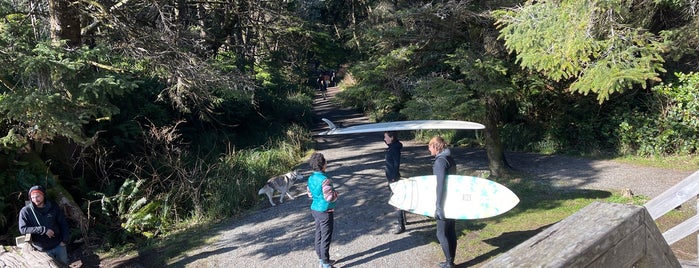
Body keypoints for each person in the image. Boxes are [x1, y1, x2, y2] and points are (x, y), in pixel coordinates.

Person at [18, 185, 70, 265]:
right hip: (42, 250)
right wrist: (43, 230)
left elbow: (63, 223)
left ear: (43, 195)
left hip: (59, 245)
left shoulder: (53, 206)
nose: (35, 199)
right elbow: (23, 229)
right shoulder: (26, 211)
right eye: (32, 197)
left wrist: (65, 240)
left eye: (38, 196)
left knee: (64, 265)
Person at [428, 136, 457, 268]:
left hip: (444, 202)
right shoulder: (450, 159)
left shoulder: (440, 162)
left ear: (435, 147)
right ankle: (450, 261)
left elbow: (440, 185)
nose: (429, 149)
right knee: (451, 231)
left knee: (441, 233)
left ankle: (449, 262)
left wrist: (438, 206)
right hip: (452, 200)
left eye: (430, 146)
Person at [307, 152, 339, 268]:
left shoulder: (310, 178)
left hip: (315, 209)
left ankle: (321, 259)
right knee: (326, 237)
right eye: (325, 161)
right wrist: (336, 194)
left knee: (319, 235)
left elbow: (310, 195)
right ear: (322, 165)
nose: (326, 163)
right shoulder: (325, 180)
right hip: (325, 211)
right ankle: (326, 264)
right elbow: (329, 197)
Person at [384, 131, 406, 234]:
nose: (384, 139)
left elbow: (396, 164)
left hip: (394, 179)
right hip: (392, 178)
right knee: (397, 200)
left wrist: (393, 178)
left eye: (386, 137)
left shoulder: (394, 149)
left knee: (396, 201)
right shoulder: (392, 147)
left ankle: (401, 225)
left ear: (392, 138)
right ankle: (403, 221)